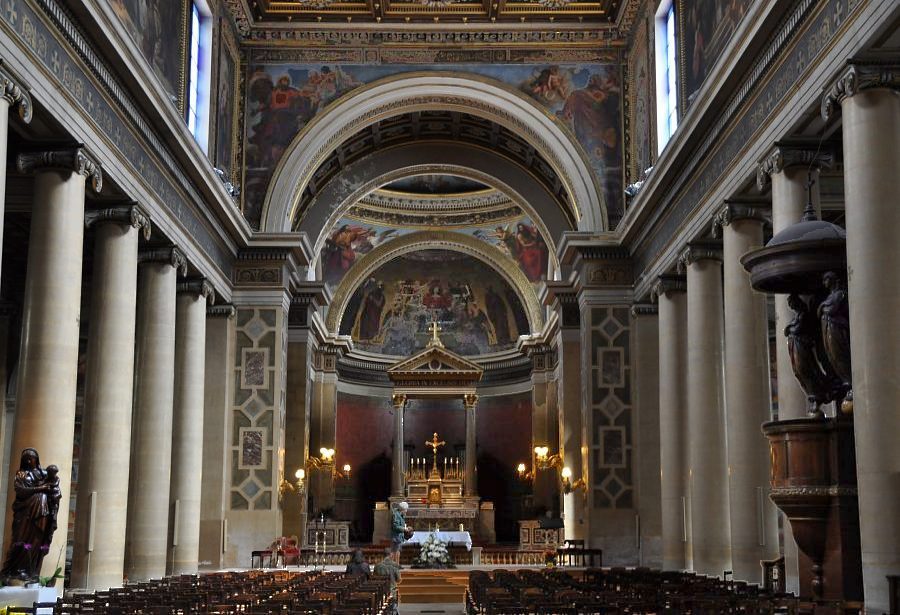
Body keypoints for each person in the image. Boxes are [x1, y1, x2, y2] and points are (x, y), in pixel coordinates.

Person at [1, 449, 58, 580]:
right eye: (26, 458)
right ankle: (15, 570)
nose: (28, 460)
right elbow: (20, 491)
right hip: (25, 513)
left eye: (31, 458)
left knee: (37, 540)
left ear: (36, 459)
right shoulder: (21, 474)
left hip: (41, 511)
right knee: (20, 539)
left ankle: (31, 571)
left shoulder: (44, 473)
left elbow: (55, 483)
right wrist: (40, 488)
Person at [374, 547, 402, 613]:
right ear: (391, 554)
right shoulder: (395, 565)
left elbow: (374, 578)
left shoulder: (377, 566)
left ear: (383, 555)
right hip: (392, 592)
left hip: (380, 592)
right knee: (393, 607)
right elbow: (399, 579)